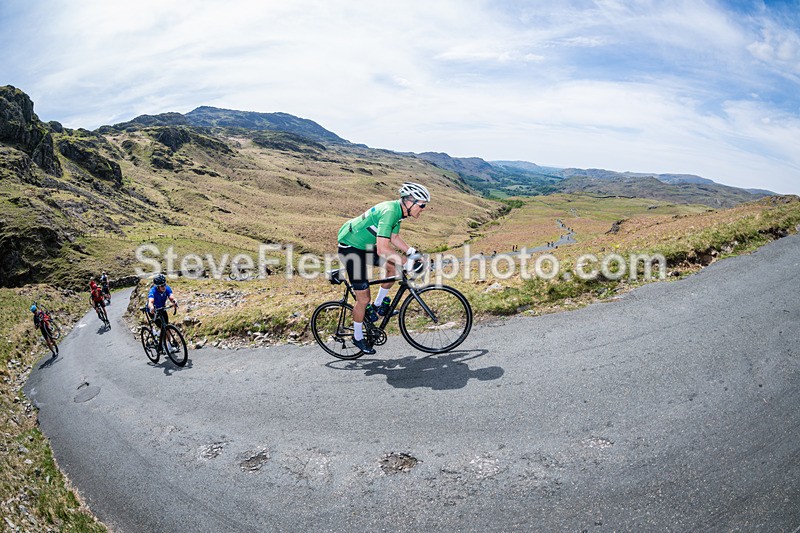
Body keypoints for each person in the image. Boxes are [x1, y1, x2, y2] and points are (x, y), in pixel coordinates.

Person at [337, 182, 429, 354]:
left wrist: (411, 251)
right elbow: (382, 249)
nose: (423, 209)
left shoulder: (398, 212)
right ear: (410, 202)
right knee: (363, 300)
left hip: (364, 245)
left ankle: (379, 306)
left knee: (393, 269)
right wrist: (407, 262)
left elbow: (393, 237)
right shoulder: (390, 212)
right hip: (351, 249)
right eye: (422, 205)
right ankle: (357, 337)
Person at [148, 274, 178, 351]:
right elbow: (150, 301)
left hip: (162, 310)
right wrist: (151, 307)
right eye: (161, 286)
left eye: (164, 284)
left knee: (166, 328)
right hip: (153, 311)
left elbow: (171, 296)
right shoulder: (153, 291)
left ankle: (168, 347)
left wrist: (174, 301)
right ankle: (158, 336)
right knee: (163, 328)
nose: (164, 287)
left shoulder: (167, 288)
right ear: (157, 286)